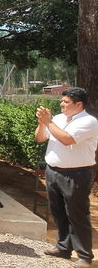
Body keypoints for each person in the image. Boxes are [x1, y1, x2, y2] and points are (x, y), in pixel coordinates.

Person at [35, 87, 97, 267]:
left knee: (77, 214)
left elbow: (67, 139)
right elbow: (40, 138)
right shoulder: (58, 119)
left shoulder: (88, 121)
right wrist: (42, 123)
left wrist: (49, 122)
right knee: (59, 212)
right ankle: (63, 248)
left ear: (79, 104)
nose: (61, 104)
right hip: (53, 171)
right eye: (61, 101)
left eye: (65, 102)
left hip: (76, 174)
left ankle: (84, 255)